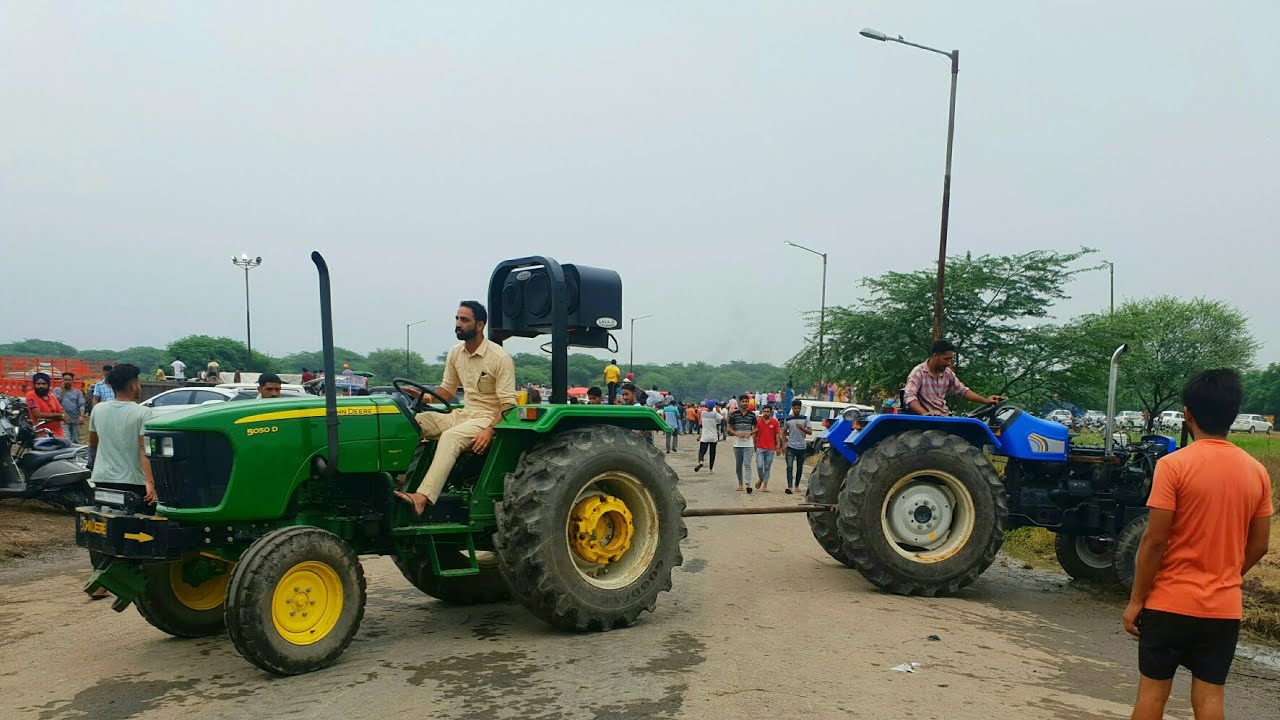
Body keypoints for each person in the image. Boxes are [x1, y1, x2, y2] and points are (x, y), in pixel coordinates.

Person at [1124, 369, 1272, 720]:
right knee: (1209, 701)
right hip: (1222, 609)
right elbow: (1261, 545)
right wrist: (1226, 575)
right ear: (1234, 414)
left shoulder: (1174, 465)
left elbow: (1155, 540)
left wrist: (1136, 600)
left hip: (1169, 603)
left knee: (1152, 697)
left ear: (1187, 414)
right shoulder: (1256, 472)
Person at [395, 301, 516, 517]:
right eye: (457, 319)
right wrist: (426, 398)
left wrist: (489, 431)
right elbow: (447, 391)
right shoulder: (455, 353)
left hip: (486, 418)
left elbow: (508, 405)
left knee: (450, 437)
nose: (458, 324)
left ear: (480, 325)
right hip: (462, 414)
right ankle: (396, 482)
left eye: (464, 320)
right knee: (412, 423)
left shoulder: (499, 358)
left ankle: (421, 498)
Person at [87, 363, 157, 598]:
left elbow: (93, 443)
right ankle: (136, 582)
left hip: (102, 479)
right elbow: (143, 450)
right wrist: (151, 483)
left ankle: (99, 583)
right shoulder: (142, 413)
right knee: (140, 531)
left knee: (102, 528)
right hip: (132, 481)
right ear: (133, 384)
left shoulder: (98, 410)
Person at [904, 340, 1005, 416]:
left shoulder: (947, 373)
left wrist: (985, 401)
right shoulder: (919, 372)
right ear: (935, 355)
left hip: (945, 416)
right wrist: (925, 414)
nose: (948, 363)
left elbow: (963, 391)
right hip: (930, 420)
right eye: (946, 359)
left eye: (950, 359)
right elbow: (910, 397)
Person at [727, 394, 758, 494]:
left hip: (748, 444)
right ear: (739, 403)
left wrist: (751, 433)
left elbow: (757, 428)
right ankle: (740, 484)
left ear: (748, 403)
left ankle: (748, 484)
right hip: (737, 444)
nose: (744, 403)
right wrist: (736, 433)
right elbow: (729, 428)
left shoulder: (752, 415)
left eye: (746, 401)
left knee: (747, 464)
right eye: (743, 401)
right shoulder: (734, 414)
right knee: (738, 465)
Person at [783, 399, 812, 494]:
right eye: (795, 408)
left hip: (801, 447)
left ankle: (797, 485)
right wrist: (783, 445)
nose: (797, 410)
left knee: (799, 467)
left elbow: (810, 432)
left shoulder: (805, 419)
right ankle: (790, 486)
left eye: (799, 408)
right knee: (789, 466)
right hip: (791, 446)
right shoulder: (788, 419)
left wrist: (802, 428)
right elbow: (784, 433)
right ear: (792, 408)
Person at [26, 372, 66, 439]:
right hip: (42, 435)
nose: (41, 386)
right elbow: (38, 414)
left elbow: (62, 412)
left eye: (44, 384)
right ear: (34, 385)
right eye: (38, 384)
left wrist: (61, 415)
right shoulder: (31, 395)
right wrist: (58, 415)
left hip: (58, 434)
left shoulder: (51, 397)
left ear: (48, 385)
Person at [753, 405, 782, 491]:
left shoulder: (775, 422)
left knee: (767, 467)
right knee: (759, 465)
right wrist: (753, 444)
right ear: (762, 412)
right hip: (760, 447)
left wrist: (778, 446)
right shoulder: (758, 422)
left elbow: (777, 435)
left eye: (768, 412)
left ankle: (765, 485)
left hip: (770, 448)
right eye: (764, 411)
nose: (766, 413)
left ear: (771, 412)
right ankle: (761, 479)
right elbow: (755, 434)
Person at [54, 372, 87, 444]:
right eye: (65, 380)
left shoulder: (78, 392)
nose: (67, 382)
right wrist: (62, 391)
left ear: (72, 381)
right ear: (62, 380)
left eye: (69, 380)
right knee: (66, 438)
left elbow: (81, 405)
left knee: (75, 440)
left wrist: (81, 416)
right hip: (62, 419)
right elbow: (55, 403)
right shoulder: (57, 390)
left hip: (75, 419)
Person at [694, 400, 721, 474]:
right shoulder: (715, 414)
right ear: (713, 407)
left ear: (706, 406)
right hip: (713, 436)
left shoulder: (703, 413)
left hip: (705, 436)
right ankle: (710, 469)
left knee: (701, 451)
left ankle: (701, 461)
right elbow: (722, 418)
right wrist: (718, 410)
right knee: (712, 453)